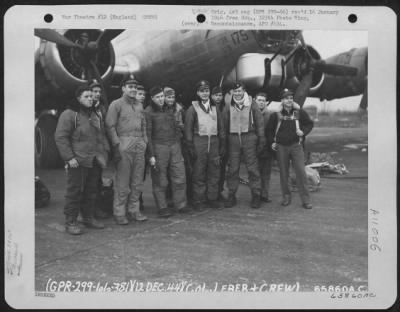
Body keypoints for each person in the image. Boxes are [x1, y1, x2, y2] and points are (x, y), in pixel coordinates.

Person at [55, 86, 110, 235]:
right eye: (86, 96)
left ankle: (88, 217)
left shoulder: (94, 115)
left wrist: (103, 154)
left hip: (94, 159)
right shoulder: (69, 114)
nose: (90, 99)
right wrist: (69, 158)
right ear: (78, 98)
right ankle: (70, 221)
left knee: (91, 191)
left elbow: (100, 136)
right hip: (78, 160)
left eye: (92, 96)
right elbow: (61, 137)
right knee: (75, 191)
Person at [105, 75, 148, 225]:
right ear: (123, 88)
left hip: (139, 145)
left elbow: (143, 125)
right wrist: (117, 145)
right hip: (124, 143)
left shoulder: (139, 105)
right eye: (130, 87)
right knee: (122, 182)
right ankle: (119, 212)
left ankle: (134, 210)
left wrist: (144, 141)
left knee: (137, 182)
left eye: (135, 87)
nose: (133, 89)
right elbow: (110, 126)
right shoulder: (116, 104)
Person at [266, 88, 314, 209]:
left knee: (301, 173)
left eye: (291, 98)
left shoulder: (299, 113)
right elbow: (269, 130)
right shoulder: (276, 115)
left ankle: (306, 200)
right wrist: (272, 142)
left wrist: (303, 132)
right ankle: (286, 197)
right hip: (281, 147)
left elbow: (309, 124)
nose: (289, 100)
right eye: (286, 98)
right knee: (284, 173)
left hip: (296, 146)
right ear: (282, 100)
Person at [145, 86, 189, 217]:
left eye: (162, 96)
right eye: (157, 97)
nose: (160, 99)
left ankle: (181, 204)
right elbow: (147, 133)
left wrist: (177, 144)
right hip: (159, 147)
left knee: (180, 176)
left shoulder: (170, 109)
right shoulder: (148, 112)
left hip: (174, 145)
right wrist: (151, 154)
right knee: (160, 179)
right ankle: (162, 207)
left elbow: (176, 128)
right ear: (152, 98)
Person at [222, 81, 265, 209]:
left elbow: (259, 121)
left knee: (252, 168)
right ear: (232, 92)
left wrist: (261, 138)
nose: (238, 93)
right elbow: (224, 125)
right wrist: (224, 142)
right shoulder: (228, 105)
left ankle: (256, 195)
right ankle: (231, 195)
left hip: (249, 137)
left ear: (244, 91)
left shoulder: (252, 103)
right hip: (234, 138)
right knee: (233, 169)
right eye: (235, 91)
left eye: (240, 91)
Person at [184, 80, 226, 211]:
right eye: (202, 91)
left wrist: (222, 144)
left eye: (207, 90)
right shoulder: (192, 109)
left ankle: (212, 198)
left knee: (214, 172)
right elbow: (188, 129)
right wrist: (190, 145)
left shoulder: (215, 108)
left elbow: (221, 127)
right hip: (199, 142)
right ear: (197, 92)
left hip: (213, 142)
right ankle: (198, 200)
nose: (204, 93)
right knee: (199, 173)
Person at [89, 80, 111, 219]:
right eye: (94, 91)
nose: (97, 94)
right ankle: (88, 213)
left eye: (99, 92)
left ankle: (95, 210)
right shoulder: (84, 108)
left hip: (100, 149)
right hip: (88, 150)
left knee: (97, 181)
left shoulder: (102, 108)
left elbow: (106, 128)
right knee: (89, 183)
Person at [254, 92, 273, 203]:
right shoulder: (251, 114)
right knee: (255, 173)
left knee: (266, 173)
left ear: (266, 102)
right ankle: (256, 195)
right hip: (254, 148)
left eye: (263, 100)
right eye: (259, 100)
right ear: (255, 101)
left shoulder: (271, 115)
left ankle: (264, 195)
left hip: (267, 148)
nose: (261, 102)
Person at [211, 86, 227, 201]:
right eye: (216, 95)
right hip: (212, 142)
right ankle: (211, 192)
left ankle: (219, 191)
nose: (218, 97)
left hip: (224, 141)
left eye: (220, 95)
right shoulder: (209, 108)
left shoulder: (226, 108)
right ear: (212, 96)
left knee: (221, 169)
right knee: (212, 169)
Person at [135, 84, 147, 212]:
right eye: (140, 94)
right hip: (128, 147)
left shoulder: (145, 110)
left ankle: (138, 199)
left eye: (144, 95)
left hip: (142, 148)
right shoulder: (122, 107)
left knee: (140, 176)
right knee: (128, 178)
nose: (142, 97)